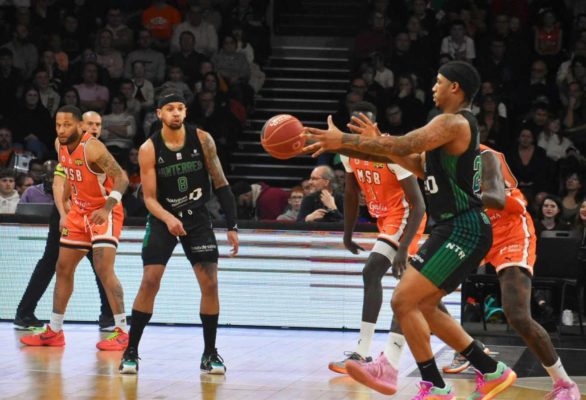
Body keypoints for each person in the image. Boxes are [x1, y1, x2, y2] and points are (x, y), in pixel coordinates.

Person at [303, 61, 516, 399]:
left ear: (455, 88)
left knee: (403, 299)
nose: (433, 87)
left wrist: (343, 140)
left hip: (464, 226)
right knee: (422, 306)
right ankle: (483, 372)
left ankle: (414, 376)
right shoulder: (448, 127)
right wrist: (372, 142)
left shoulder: (452, 122)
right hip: (451, 226)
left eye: (439, 81)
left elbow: (404, 146)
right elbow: (417, 165)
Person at [442, 145, 581, 399]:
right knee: (424, 292)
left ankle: (564, 384)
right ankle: (472, 350)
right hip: (479, 229)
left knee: (517, 315)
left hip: (509, 228)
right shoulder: (440, 155)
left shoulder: (484, 155)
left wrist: (455, 197)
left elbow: (495, 198)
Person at [119, 92, 239, 375]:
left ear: (185, 112)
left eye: (180, 108)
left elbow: (221, 183)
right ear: (159, 113)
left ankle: (210, 353)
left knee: (210, 284)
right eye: (170, 108)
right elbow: (149, 198)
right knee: (150, 281)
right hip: (163, 218)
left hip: (197, 218)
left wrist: (232, 226)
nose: (176, 113)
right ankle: (131, 351)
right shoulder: (149, 148)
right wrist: (168, 218)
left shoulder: (203, 139)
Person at [328, 103, 427, 384]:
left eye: (364, 124)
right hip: (384, 219)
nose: (357, 129)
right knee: (420, 296)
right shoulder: (349, 151)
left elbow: (418, 204)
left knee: (372, 271)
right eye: (353, 124)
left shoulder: (391, 151)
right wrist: (347, 233)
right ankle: (472, 350)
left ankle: (363, 353)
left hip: (405, 217)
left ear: (375, 126)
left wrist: (404, 248)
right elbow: (350, 193)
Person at [20, 105, 129, 350]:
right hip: (79, 212)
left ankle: (122, 331)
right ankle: (55, 331)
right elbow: (70, 173)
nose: (61, 129)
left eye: (67, 125)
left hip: (104, 210)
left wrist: (107, 208)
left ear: (80, 125)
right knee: (62, 267)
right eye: (58, 125)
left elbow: (122, 178)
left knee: (103, 268)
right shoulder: (59, 145)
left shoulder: (93, 147)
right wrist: (67, 201)